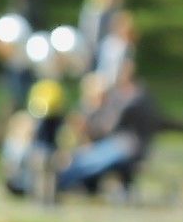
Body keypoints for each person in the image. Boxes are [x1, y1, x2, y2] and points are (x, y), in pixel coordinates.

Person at [57, 69, 155, 198]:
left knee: (91, 159)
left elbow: (109, 129)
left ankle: (60, 181)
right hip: (99, 148)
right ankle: (61, 180)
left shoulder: (114, 106)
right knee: (79, 158)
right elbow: (78, 136)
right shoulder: (86, 109)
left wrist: (87, 129)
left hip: (120, 146)